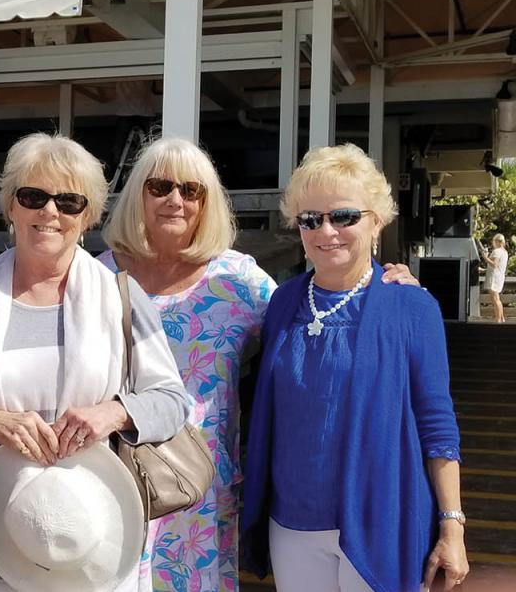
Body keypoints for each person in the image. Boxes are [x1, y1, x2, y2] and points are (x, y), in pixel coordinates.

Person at [99, 137, 424, 592]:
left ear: (207, 203)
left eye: (191, 191)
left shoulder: (237, 279)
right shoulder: (96, 277)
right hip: (116, 477)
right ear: (138, 194)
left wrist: (386, 287)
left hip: (201, 487)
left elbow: (316, 317)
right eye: (159, 187)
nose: (175, 199)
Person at [0, 133, 191, 592]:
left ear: (88, 216)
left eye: (69, 202)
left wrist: (113, 412)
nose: (49, 212)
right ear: (10, 207)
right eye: (33, 196)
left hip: (95, 534)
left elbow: (172, 400)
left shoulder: (122, 298)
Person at [242, 144, 467, 592]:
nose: (327, 231)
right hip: (292, 523)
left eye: (344, 216)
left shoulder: (411, 306)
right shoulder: (282, 303)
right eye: (311, 219)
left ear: (376, 221)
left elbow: (437, 423)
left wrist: (452, 526)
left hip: (382, 521)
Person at [481, 233, 508, 322]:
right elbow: (498, 266)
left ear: (497, 242)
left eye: (494, 241)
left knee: (495, 299)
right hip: (500, 276)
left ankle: (498, 319)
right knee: (497, 298)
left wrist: (485, 257)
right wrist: (484, 270)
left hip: (494, 278)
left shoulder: (497, 251)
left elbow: (494, 264)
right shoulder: (504, 252)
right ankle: (502, 317)